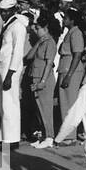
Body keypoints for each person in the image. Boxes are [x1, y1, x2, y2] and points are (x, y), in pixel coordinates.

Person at [0, 0, 28, 146]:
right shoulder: (8, 24)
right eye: (1, 11)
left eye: (7, 11)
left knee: (10, 105)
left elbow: (17, 52)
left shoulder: (18, 26)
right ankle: (5, 137)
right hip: (2, 68)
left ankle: (12, 139)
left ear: (14, 10)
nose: (3, 14)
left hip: (10, 71)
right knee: (3, 105)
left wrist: (10, 74)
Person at [23, 10, 59, 143]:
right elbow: (29, 56)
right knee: (39, 108)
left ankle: (49, 136)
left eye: (38, 29)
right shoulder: (41, 42)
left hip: (44, 78)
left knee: (46, 108)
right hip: (36, 77)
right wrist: (38, 43)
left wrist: (43, 81)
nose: (36, 31)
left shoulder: (50, 43)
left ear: (45, 28)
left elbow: (49, 63)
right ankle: (44, 135)